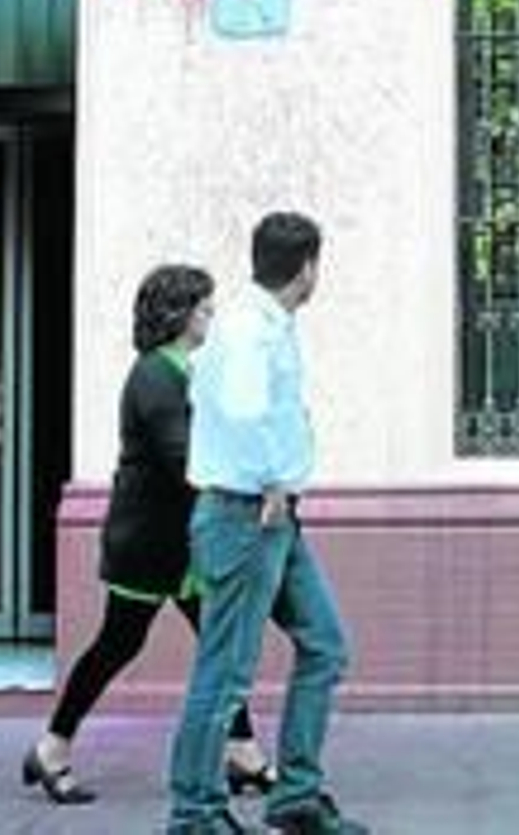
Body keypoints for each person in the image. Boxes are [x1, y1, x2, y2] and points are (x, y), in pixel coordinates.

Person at [23, 264, 274, 806]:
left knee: (218, 643)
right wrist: (247, 485)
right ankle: (52, 747)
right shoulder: (155, 376)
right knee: (118, 645)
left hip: (181, 545)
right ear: (179, 315)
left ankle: (244, 752)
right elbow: (185, 459)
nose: (212, 315)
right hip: (150, 545)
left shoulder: (184, 370)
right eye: (204, 307)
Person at [166, 212, 367, 835]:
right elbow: (244, 409)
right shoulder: (250, 329)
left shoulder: (259, 323)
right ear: (307, 268)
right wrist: (275, 477)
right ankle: (194, 814)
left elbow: (209, 398)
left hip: (270, 520)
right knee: (225, 672)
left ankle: (296, 797)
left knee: (325, 645)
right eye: (317, 265)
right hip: (248, 514)